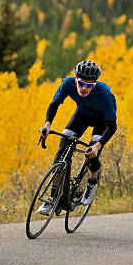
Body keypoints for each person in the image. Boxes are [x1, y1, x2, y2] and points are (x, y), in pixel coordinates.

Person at [38, 59, 117, 215]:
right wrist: (47, 125)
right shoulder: (67, 84)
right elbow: (54, 104)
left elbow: (112, 127)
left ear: (95, 84)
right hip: (81, 115)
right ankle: (52, 198)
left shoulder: (104, 94)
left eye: (89, 85)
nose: (84, 88)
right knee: (61, 153)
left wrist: (97, 146)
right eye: (81, 83)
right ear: (75, 79)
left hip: (102, 121)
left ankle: (91, 183)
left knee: (91, 154)